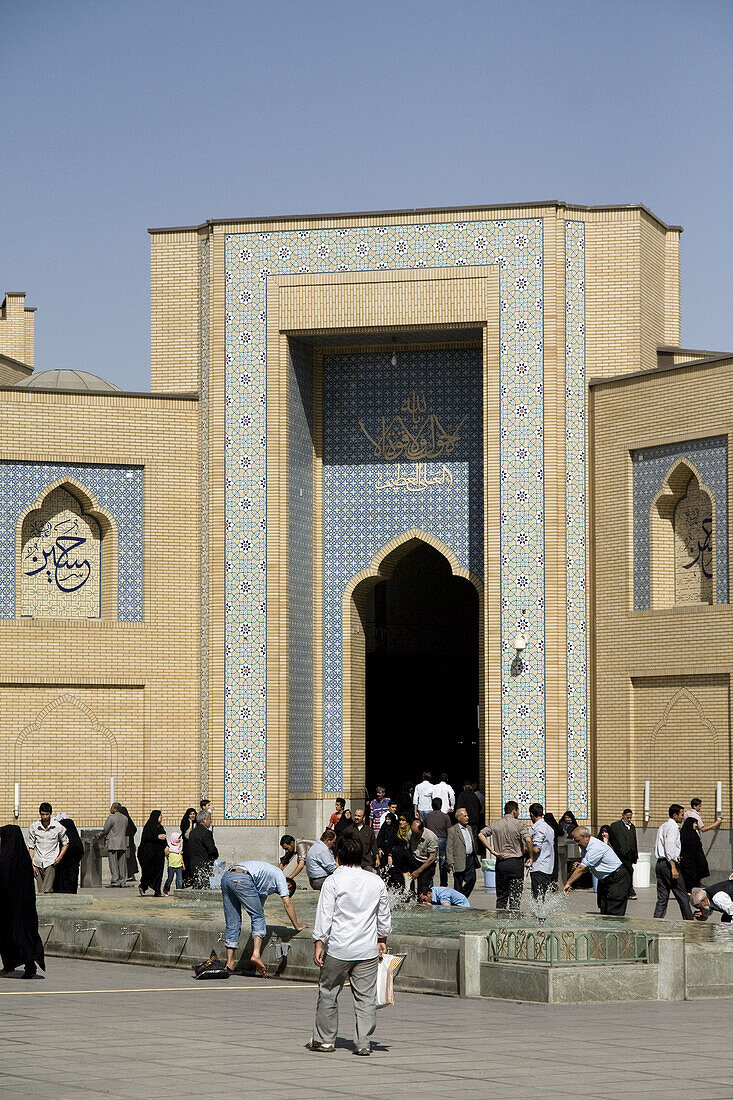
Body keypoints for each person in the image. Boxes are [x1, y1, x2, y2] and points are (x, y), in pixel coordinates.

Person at [309, 831, 391, 1055]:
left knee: (328, 992)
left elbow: (325, 915)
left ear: (338, 855)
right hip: (366, 949)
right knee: (365, 997)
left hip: (338, 948)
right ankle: (363, 1042)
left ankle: (325, 1040)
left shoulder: (333, 881)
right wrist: (382, 938)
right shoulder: (375, 881)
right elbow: (383, 916)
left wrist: (319, 942)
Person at [221, 861, 306, 975]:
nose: (283, 893)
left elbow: (257, 908)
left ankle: (229, 963)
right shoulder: (280, 875)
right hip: (244, 878)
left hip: (227, 877)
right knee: (259, 917)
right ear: (288, 885)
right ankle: (256, 955)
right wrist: (297, 925)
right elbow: (287, 904)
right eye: (286, 891)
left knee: (233, 920)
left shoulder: (265, 885)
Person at [0, 824, 46, 978]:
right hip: (25, 907)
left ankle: (23, 966)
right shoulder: (24, 859)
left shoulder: (6, 859)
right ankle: (17, 966)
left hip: (9, 907)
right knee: (23, 935)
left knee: (13, 935)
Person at [563, 826, 630, 914]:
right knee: (604, 908)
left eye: (578, 840)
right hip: (605, 880)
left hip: (616, 879)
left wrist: (568, 883)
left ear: (586, 837)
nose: (576, 844)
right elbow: (586, 866)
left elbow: (582, 868)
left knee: (614, 911)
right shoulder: (585, 848)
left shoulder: (596, 846)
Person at [480, 800, 532, 909]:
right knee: (515, 897)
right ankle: (514, 920)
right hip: (516, 863)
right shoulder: (519, 824)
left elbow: (481, 834)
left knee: (501, 897)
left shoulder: (495, 824)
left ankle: (500, 922)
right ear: (514, 811)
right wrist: (531, 857)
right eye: (518, 811)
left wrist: (492, 851)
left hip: (501, 863)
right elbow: (528, 840)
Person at [653, 804, 693, 920]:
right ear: (675, 815)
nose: (683, 817)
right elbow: (669, 846)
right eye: (681, 815)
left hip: (660, 863)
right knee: (682, 895)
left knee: (662, 897)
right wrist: (673, 866)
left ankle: (657, 921)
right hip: (668, 864)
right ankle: (689, 922)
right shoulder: (673, 827)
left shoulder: (663, 826)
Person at [28, 803, 68, 894]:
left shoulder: (57, 827)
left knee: (48, 890)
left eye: (47, 814)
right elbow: (31, 846)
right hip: (38, 862)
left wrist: (59, 858)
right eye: (42, 814)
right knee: (40, 890)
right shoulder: (34, 827)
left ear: (50, 814)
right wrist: (32, 864)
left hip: (51, 861)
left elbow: (65, 843)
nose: (45, 817)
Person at [446, 807, 479, 897]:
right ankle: (458, 902)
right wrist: (450, 861)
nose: (467, 818)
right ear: (459, 818)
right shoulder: (452, 830)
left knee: (472, 879)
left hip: (470, 859)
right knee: (458, 882)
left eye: (467, 815)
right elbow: (449, 847)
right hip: (458, 859)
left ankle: (463, 896)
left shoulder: (469, 828)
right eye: (464, 816)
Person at [97, 803, 129, 888]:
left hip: (112, 843)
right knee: (122, 864)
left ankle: (115, 881)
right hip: (122, 843)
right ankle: (123, 881)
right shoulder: (125, 818)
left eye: (111, 807)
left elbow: (105, 830)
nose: (110, 809)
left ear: (115, 808)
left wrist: (99, 835)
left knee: (113, 863)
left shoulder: (111, 818)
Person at [609, 809, 638, 900]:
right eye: (627, 817)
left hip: (630, 854)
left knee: (628, 871)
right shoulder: (616, 826)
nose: (629, 819)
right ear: (623, 815)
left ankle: (627, 890)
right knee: (628, 871)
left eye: (630, 817)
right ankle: (629, 890)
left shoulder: (632, 827)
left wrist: (635, 854)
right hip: (620, 854)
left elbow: (634, 841)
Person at [529, 803, 556, 900]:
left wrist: (526, 849)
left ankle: (538, 915)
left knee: (537, 898)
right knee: (542, 897)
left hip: (539, 867)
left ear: (532, 814)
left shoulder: (539, 828)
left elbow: (536, 848)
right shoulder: (548, 827)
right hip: (547, 866)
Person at [138, 810, 168, 896]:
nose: (161, 817)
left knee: (159, 871)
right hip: (149, 854)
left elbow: (164, 838)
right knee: (149, 871)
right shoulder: (148, 827)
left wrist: (166, 846)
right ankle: (143, 886)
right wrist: (156, 837)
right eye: (160, 816)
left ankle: (157, 891)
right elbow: (146, 838)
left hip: (158, 854)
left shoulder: (160, 827)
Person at [52, 815, 83, 894]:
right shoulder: (76, 840)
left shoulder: (62, 840)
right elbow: (80, 852)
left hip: (60, 870)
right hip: (73, 869)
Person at [424, 797, 451, 887]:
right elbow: (449, 831)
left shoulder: (427, 816)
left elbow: (424, 829)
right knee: (442, 864)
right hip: (442, 840)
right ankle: (443, 884)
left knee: (430, 863)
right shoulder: (445, 816)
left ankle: (430, 884)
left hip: (431, 841)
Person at [187, 810, 219, 886]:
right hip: (204, 864)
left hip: (193, 864)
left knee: (196, 886)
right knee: (204, 887)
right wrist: (214, 856)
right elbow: (211, 849)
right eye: (209, 819)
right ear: (204, 820)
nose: (210, 821)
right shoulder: (206, 832)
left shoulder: (192, 832)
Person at [408, 819, 438, 894]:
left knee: (423, 887)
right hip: (415, 859)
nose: (414, 835)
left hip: (427, 863)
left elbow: (432, 858)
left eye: (416, 833)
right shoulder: (410, 833)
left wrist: (418, 871)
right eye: (413, 833)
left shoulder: (431, 837)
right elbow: (408, 848)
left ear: (422, 830)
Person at [680, 816, 709, 892]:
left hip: (694, 859)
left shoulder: (694, 833)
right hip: (686, 859)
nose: (696, 825)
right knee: (687, 875)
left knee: (693, 875)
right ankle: (687, 890)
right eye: (694, 823)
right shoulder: (683, 833)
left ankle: (689, 889)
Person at [543, 812, 564, 884]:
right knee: (554, 865)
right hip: (554, 848)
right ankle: (554, 883)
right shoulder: (555, 826)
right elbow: (561, 832)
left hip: (545, 848)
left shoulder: (545, 826)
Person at [119, 805, 138, 883]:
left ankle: (129, 874)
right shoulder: (128, 820)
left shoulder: (124, 821)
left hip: (126, 842)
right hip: (130, 842)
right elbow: (134, 829)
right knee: (130, 859)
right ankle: (131, 874)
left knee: (127, 859)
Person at [162, 830, 185, 895]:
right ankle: (166, 889)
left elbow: (180, 855)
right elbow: (166, 855)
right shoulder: (169, 847)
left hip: (179, 866)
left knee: (179, 880)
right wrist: (169, 859)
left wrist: (183, 863)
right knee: (170, 879)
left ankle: (179, 891)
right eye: (178, 838)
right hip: (171, 866)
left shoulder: (179, 846)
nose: (180, 840)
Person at [179, 807, 197, 887]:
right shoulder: (185, 823)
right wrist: (190, 825)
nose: (192, 816)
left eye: (194, 814)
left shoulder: (197, 823)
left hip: (195, 848)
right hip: (187, 848)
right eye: (191, 814)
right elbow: (187, 836)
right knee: (187, 864)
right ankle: (185, 882)